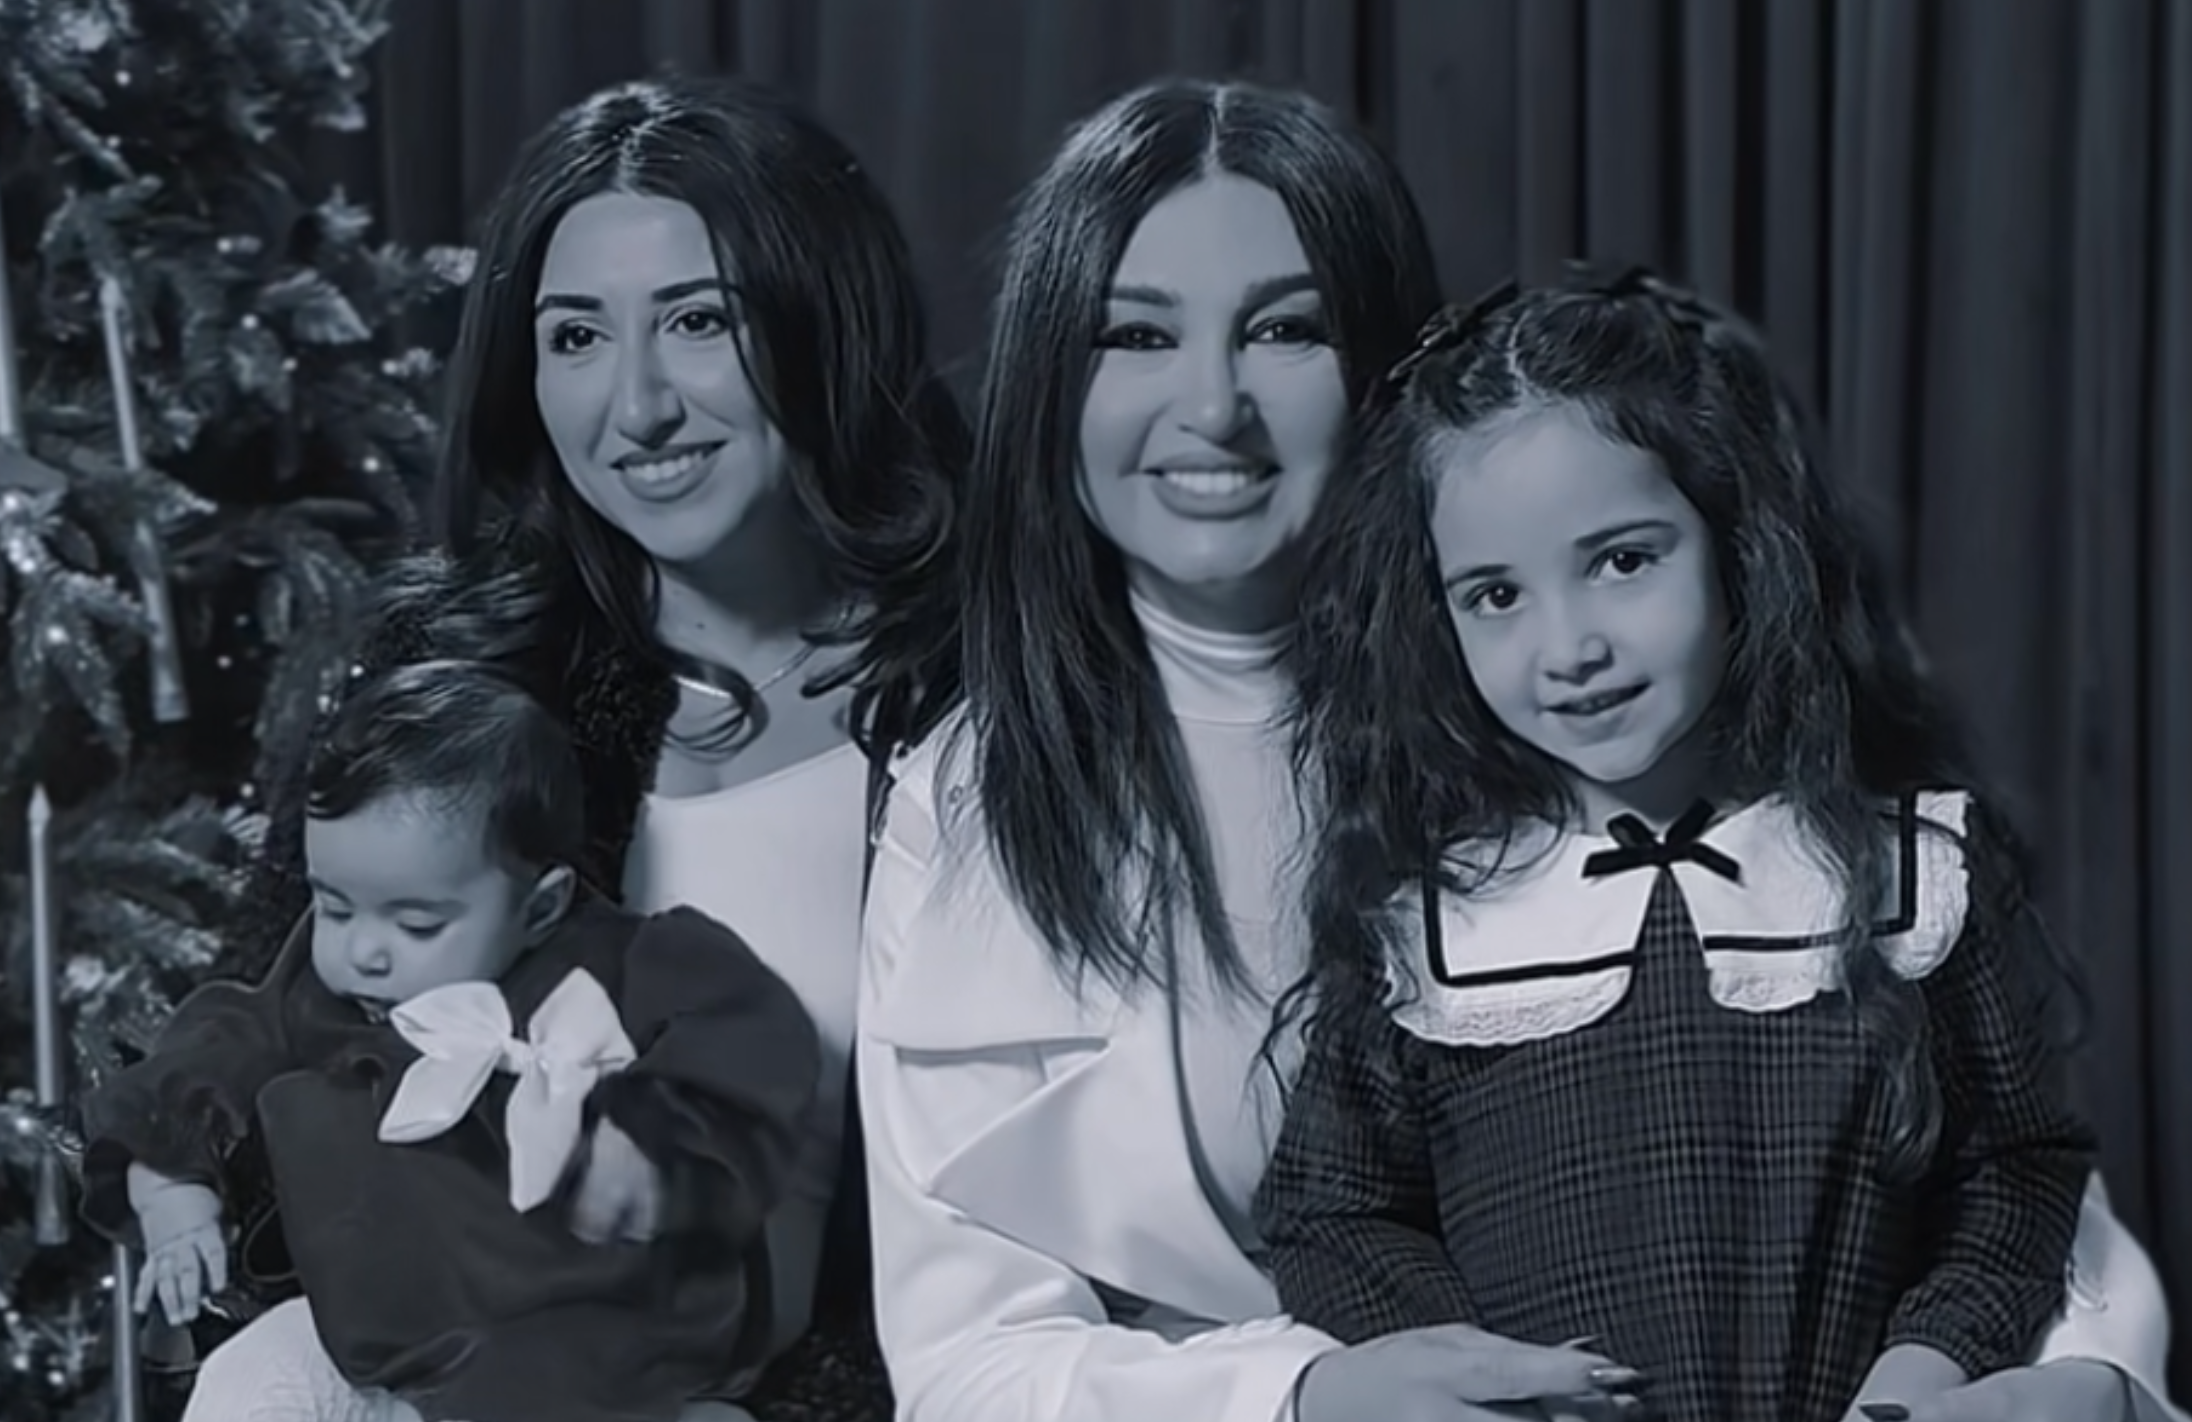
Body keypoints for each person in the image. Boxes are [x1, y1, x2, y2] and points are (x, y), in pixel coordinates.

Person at [854, 76, 2181, 1422]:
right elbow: (966, 1361)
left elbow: (1996, 1161)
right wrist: (1303, 1393)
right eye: (1135, 334)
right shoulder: (964, 799)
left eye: (1285, 329)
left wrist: (2085, 1378)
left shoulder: (1594, 713)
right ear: (1047, 373)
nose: (1212, 404)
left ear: (1386, 364)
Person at [224, 72, 967, 1419]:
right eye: (575, 337)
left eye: (698, 321)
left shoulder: (987, 688)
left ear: (823, 321)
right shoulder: (455, 673)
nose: (637, 407)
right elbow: (269, 1062)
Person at [1255, 266, 2097, 1422]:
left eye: (1621, 560)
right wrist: (1475, 1374)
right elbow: (1330, 1213)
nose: (1568, 647)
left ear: (1734, 542)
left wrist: (1921, 1370)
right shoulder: (1426, 926)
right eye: (1494, 595)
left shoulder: (1913, 875)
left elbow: (2015, 1170)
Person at [81, 657, 819, 1422]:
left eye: (416, 924)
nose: (363, 950)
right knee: (249, 1379)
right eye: (334, 906)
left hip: (592, 1349)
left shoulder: (620, 965)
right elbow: (219, 1045)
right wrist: (171, 1191)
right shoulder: (327, 993)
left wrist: (658, 1141)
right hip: (385, 1347)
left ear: (540, 907)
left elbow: (749, 1033)